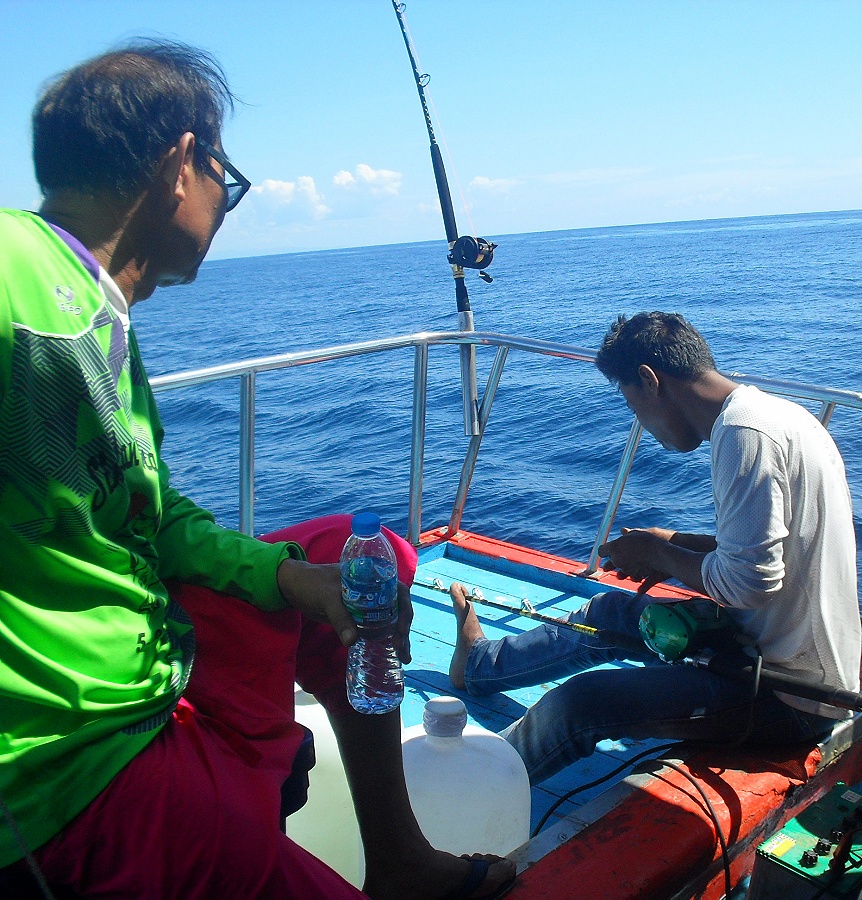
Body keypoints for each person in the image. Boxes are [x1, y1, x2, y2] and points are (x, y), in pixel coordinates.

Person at [0, 40, 515, 900]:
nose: (227, 203)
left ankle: (398, 860)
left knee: (360, 561)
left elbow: (153, 519)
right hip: (66, 767)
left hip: (148, 660)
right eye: (225, 179)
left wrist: (289, 579)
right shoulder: (19, 271)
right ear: (179, 163)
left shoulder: (100, 316)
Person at [448, 311, 862, 785]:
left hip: (792, 697)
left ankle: (465, 793)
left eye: (634, 406)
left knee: (582, 703)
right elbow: (779, 550)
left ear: (649, 380)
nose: (642, 426)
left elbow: (751, 581)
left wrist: (663, 557)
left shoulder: (744, 435)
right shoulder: (774, 414)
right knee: (607, 612)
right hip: (773, 654)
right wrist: (669, 543)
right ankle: (480, 665)